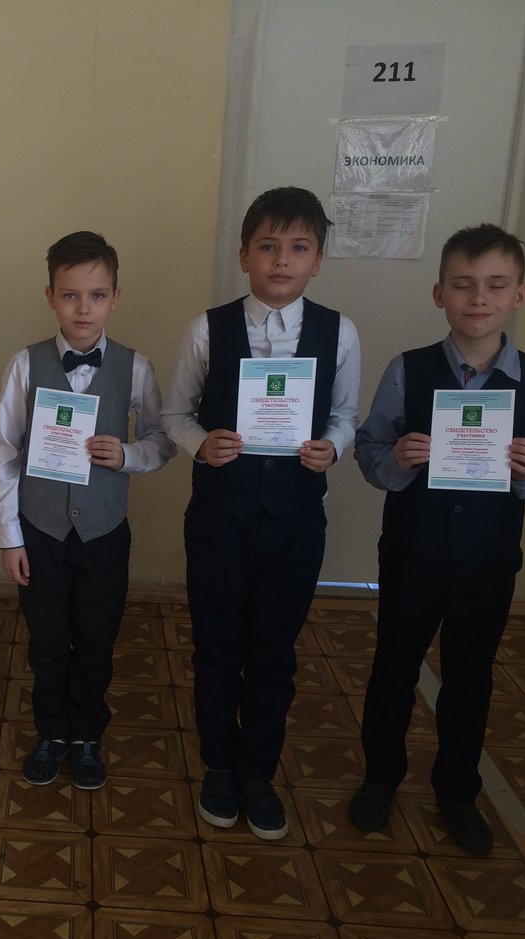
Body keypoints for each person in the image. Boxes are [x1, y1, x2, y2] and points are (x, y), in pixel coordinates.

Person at [349, 224, 525, 855]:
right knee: (393, 668)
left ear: (519, 295)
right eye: (463, 285)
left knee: (470, 677)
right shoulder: (409, 369)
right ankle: (380, 776)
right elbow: (369, 451)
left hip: (488, 560)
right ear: (439, 293)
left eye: (496, 286)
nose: (479, 299)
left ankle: (457, 790)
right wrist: (397, 458)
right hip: (412, 553)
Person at [162, 186, 361, 840]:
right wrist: (202, 443)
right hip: (220, 518)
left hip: (295, 523)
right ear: (244, 254)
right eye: (268, 246)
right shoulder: (208, 328)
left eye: (298, 248)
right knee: (217, 646)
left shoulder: (339, 332)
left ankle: (258, 772)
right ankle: (220, 765)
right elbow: (175, 413)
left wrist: (333, 447)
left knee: (274, 652)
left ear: (317, 260)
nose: (282, 260)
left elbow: (344, 414)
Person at [0, 231, 171, 790]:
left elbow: (162, 439)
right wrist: (10, 536)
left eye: (96, 295)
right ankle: (51, 733)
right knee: (46, 641)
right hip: (40, 531)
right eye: (70, 295)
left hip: (104, 533)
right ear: (50, 297)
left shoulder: (136, 367)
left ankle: (87, 735)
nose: (83, 308)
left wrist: (129, 455)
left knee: (96, 640)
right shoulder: (25, 364)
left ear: (115, 297)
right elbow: (3, 452)